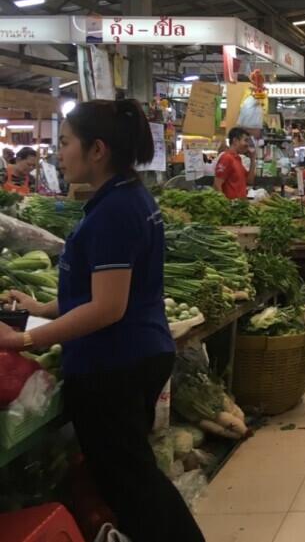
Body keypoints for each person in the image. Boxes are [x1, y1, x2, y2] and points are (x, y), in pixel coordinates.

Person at [0, 99, 204, 542]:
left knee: (134, 487)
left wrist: (23, 343)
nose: (59, 153)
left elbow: (108, 307)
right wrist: (41, 310)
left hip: (115, 364)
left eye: (66, 142)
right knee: (133, 479)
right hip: (134, 353)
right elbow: (99, 291)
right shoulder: (125, 197)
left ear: (97, 150)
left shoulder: (115, 212)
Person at [214, 127, 255, 200]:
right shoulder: (226, 158)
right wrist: (225, 205)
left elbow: (249, 181)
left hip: (240, 206)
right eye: (245, 140)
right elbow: (217, 185)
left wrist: (252, 158)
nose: (247, 144)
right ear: (235, 141)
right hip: (231, 207)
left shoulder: (237, 159)